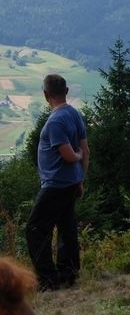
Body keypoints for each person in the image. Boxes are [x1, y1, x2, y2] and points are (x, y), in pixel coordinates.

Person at [25, 74, 89, 291]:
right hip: (69, 183)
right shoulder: (74, 114)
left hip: (56, 184)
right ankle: (68, 274)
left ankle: (47, 280)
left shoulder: (55, 121)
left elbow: (70, 155)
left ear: (45, 94)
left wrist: (77, 158)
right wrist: (80, 178)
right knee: (66, 227)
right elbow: (85, 149)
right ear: (66, 91)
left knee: (35, 229)